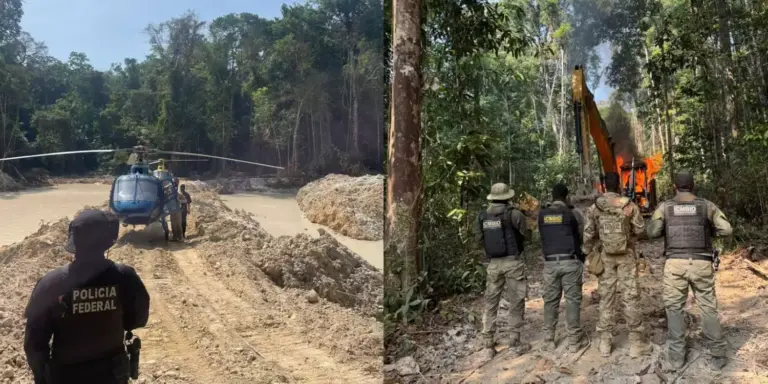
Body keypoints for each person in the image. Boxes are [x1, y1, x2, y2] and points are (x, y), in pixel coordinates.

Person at [24, 209, 150, 384]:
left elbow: (34, 345)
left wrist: (43, 377)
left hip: (66, 376)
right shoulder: (125, 277)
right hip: (112, 374)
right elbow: (137, 320)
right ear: (108, 240)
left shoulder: (50, 284)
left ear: (74, 239)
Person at [646, 171, 731, 371]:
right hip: (702, 263)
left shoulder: (665, 207)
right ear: (693, 186)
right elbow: (727, 230)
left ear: (675, 187)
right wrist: (709, 230)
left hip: (675, 264)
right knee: (708, 307)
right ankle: (718, 355)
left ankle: (676, 358)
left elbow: (651, 232)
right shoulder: (706, 206)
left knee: (674, 308)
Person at [582, 172, 651, 358]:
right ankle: (636, 343)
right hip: (626, 255)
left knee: (606, 297)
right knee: (630, 296)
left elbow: (588, 233)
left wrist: (587, 251)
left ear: (603, 186)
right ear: (619, 185)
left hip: (605, 256)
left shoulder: (595, 207)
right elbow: (641, 230)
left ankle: (605, 343)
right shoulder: (628, 205)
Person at [476, 182, 532, 360]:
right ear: (508, 197)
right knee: (516, 300)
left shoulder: (482, 216)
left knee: (491, 302)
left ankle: (488, 344)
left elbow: (478, 239)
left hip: (493, 265)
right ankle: (514, 342)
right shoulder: (514, 214)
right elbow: (527, 236)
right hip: (512, 263)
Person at [538, 183, 588, 352]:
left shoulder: (542, 214)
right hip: (570, 261)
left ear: (552, 196)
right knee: (572, 300)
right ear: (567, 196)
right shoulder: (574, 213)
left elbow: (542, 237)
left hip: (550, 263)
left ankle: (548, 340)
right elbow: (582, 236)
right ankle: (574, 341)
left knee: (550, 301)